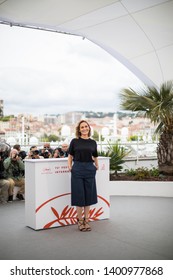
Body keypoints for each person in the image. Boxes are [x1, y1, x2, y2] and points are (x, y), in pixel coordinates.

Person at [68, 120, 99, 232]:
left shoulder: (93, 142)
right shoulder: (75, 141)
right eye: (82, 127)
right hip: (78, 169)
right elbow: (70, 156)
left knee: (89, 196)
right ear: (79, 129)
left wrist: (97, 165)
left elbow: (95, 155)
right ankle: (80, 221)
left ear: (89, 128)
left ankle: (87, 220)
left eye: (86, 126)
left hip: (90, 169)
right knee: (79, 195)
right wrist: (70, 166)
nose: (84, 128)